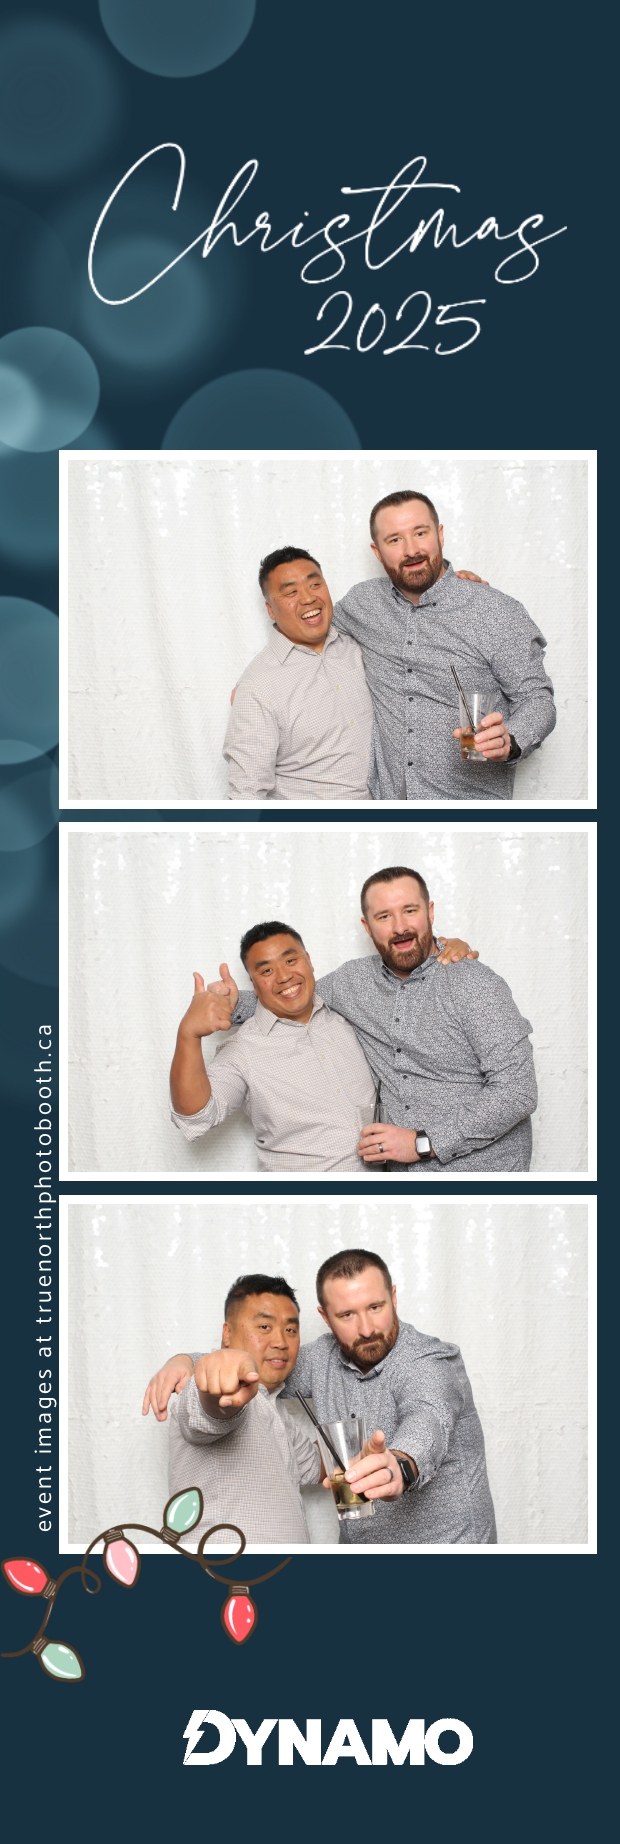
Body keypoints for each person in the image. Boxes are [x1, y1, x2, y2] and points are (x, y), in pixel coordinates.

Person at [143, 1249, 497, 1546]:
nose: (366, 1329)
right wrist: (189, 1361)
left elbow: (428, 1418)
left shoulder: (429, 1361)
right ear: (325, 1317)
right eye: (347, 1315)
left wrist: (401, 1465)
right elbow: (249, 1369)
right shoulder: (319, 1360)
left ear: (393, 1297)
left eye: (376, 1307)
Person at [213, 864, 537, 1171]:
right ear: (367, 926)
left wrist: (422, 1143)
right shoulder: (352, 982)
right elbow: (293, 996)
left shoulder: (473, 983)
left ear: (430, 913)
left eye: (410, 911)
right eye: (384, 916)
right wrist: (228, 1004)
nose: (400, 927)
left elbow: (518, 1091)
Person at [169, 916, 475, 1171]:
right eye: (266, 970)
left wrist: (442, 953)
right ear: (254, 983)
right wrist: (189, 1035)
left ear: (309, 961)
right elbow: (197, 1117)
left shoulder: (349, 1014)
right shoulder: (244, 1050)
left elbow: (408, 988)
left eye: (291, 960)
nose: (283, 976)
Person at [332, 489, 556, 800]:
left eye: (420, 533)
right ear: (377, 552)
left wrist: (511, 741)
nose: (411, 550)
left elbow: (537, 698)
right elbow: (310, 627)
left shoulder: (494, 611)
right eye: (394, 540)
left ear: (439, 535)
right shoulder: (363, 603)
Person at [223, 541, 486, 802]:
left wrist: (452, 590)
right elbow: (246, 794)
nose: (308, 598)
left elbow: (413, 624)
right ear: (270, 609)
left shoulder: (360, 641)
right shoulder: (258, 686)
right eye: (291, 592)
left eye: (315, 584)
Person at [143, 1273, 323, 1546]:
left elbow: (316, 1465)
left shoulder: (275, 1408)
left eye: (290, 1330)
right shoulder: (201, 1389)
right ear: (227, 1334)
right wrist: (219, 1375)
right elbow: (212, 1410)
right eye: (264, 1326)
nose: (281, 1342)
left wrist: (369, 1447)